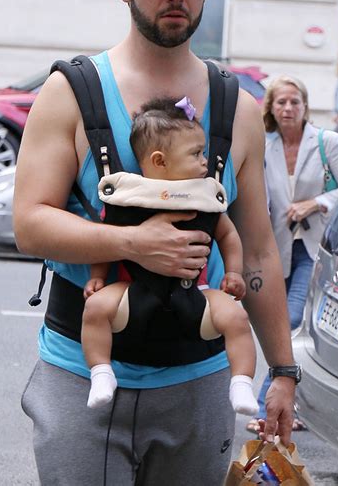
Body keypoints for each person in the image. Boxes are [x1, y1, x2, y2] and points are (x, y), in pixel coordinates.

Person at [13, 0, 296, 486]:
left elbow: (261, 253)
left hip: (198, 381)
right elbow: (28, 224)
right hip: (82, 376)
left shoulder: (239, 110)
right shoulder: (71, 93)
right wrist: (133, 243)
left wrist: (284, 371)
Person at [82, 96, 258, 416]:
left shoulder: (205, 195)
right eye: (196, 154)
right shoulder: (128, 197)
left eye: (203, 152)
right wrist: (97, 276)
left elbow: (229, 234)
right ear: (160, 161)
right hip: (135, 294)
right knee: (95, 309)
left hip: (197, 296)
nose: (206, 161)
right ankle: (101, 373)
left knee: (236, 317)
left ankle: (242, 383)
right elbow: (107, 239)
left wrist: (233, 272)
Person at [247, 75, 338, 434]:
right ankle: (296, 406)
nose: (289, 108)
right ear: (271, 109)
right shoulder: (265, 145)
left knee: (291, 319)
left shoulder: (327, 142)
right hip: (277, 248)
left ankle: (269, 408)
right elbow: (258, 197)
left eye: (295, 101)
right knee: (297, 328)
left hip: (317, 248)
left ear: (305, 106)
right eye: (281, 102)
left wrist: (316, 203)